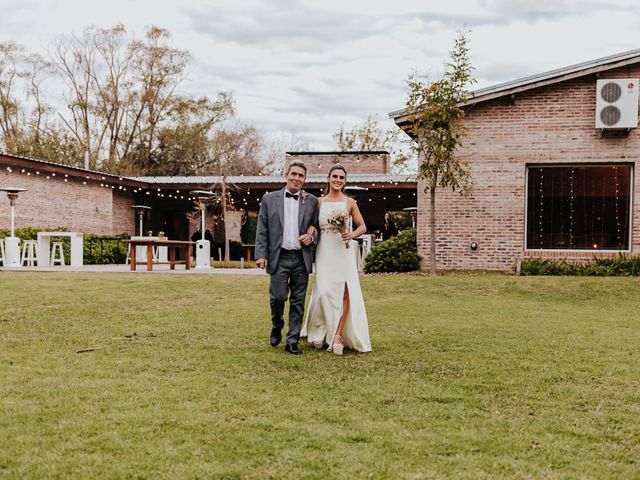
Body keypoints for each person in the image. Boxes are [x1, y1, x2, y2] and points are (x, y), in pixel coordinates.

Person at [301, 164, 371, 355]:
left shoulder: (350, 202)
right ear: (328, 178)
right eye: (335, 176)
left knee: (345, 292)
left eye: (341, 177)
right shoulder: (319, 202)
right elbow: (313, 224)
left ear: (345, 181)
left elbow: (362, 226)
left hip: (343, 250)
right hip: (325, 251)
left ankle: (338, 335)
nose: (338, 180)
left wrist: (352, 234)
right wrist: (311, 230)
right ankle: (320, 332)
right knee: (323, 292)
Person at [254, 160, 319, 355]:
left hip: (301, 257)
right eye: (294, 174)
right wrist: (261, 254)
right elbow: (262, 229)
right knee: (277, 297)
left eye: (301, 176)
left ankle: (292, 340)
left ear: (305, 179)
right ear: (286, 175)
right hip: (279, 256)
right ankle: (277, 324)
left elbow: (317, 228)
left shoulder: (312, 201)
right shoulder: (269, 199)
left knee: (298, 300)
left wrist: (312, 237)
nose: (297, 178)